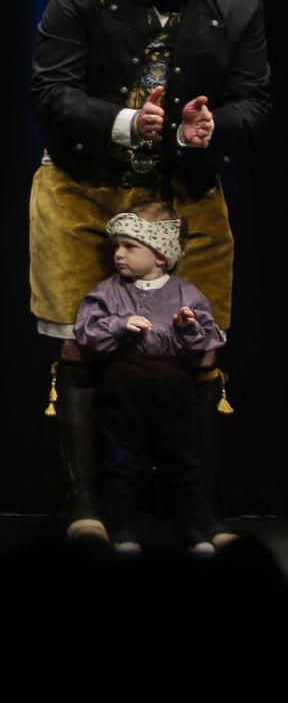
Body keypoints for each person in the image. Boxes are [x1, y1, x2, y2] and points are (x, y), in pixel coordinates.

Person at [29, 0, 266, 544]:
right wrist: (127, 121)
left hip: (181, 189)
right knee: (83, 342)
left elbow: (256, 99)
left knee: (201, 346)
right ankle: (88, 506)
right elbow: (48, 88)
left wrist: (208, 130)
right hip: (85, 181)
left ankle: (198, 512)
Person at [73, 205, 224, 553]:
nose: (118, 254)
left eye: (129, 246)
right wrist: (119, 324)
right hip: (122, 389)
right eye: (117, 246)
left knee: (181, 463)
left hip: (172, 391)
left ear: (160, 255)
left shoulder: (187, 294)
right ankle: (124, 531)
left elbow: (206, 338)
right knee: (123, 464)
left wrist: (188, 329)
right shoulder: (109, 291)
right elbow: (88, 330)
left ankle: (192, 531)